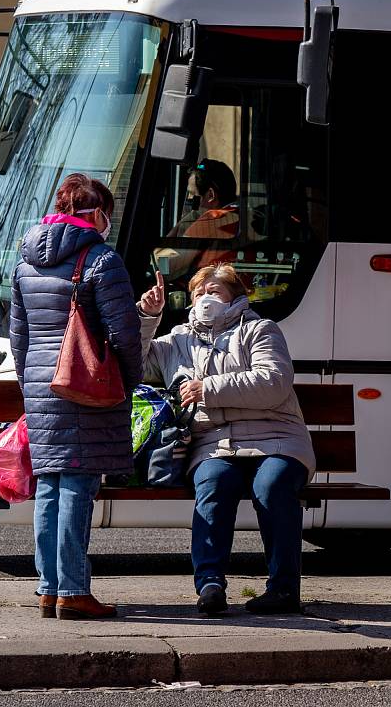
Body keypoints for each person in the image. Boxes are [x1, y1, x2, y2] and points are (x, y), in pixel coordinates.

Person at [137, 263, 315, 616]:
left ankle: (283, 590)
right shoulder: (177, 339)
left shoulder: (260, 329)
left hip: (276, 436)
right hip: (213, 443)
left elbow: (274, 382)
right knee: (214, 483)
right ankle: (210, 586)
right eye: (199, 293)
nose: (205, 299)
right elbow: (132, 366)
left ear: (235, 296)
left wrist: (209, 389)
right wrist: (146, 317)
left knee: (273, 484)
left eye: (214, 292)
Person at [10, 173, 141, 620]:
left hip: (41, 387)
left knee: (49, 486)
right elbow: (124, 335)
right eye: (107, 211)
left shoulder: (25, 261)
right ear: (96, 214)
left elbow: (19, 337)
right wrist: (130, 381)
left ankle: (49, 589)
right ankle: (73, 591)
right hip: (85, 387)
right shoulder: (102, 260)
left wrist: (29, 386)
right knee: (78, 486)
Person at [155, 159, 239, 279]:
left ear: (210, 195)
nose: (188, 203)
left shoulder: (213, 219)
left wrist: (181, 224)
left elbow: (163, 266)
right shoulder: (240, 215)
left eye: (192, 195)